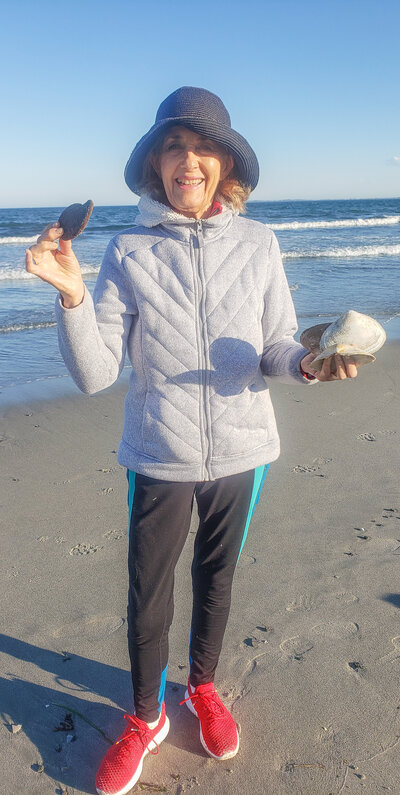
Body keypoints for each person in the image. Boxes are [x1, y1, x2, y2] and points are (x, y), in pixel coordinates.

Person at [26, 86, 358, 795]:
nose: (189, 160)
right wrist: (72, 294)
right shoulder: (129, 249)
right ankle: (144, 716)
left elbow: (273, 346)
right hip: (158, 450)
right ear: (155, 162)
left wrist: (304, 362)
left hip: (243, 447)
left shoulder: (261, 244)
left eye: (203, 146)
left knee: (218, 579)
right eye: (174, 146)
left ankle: (202, 686)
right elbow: (92, 374)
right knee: (148, 594)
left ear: (226, 161)